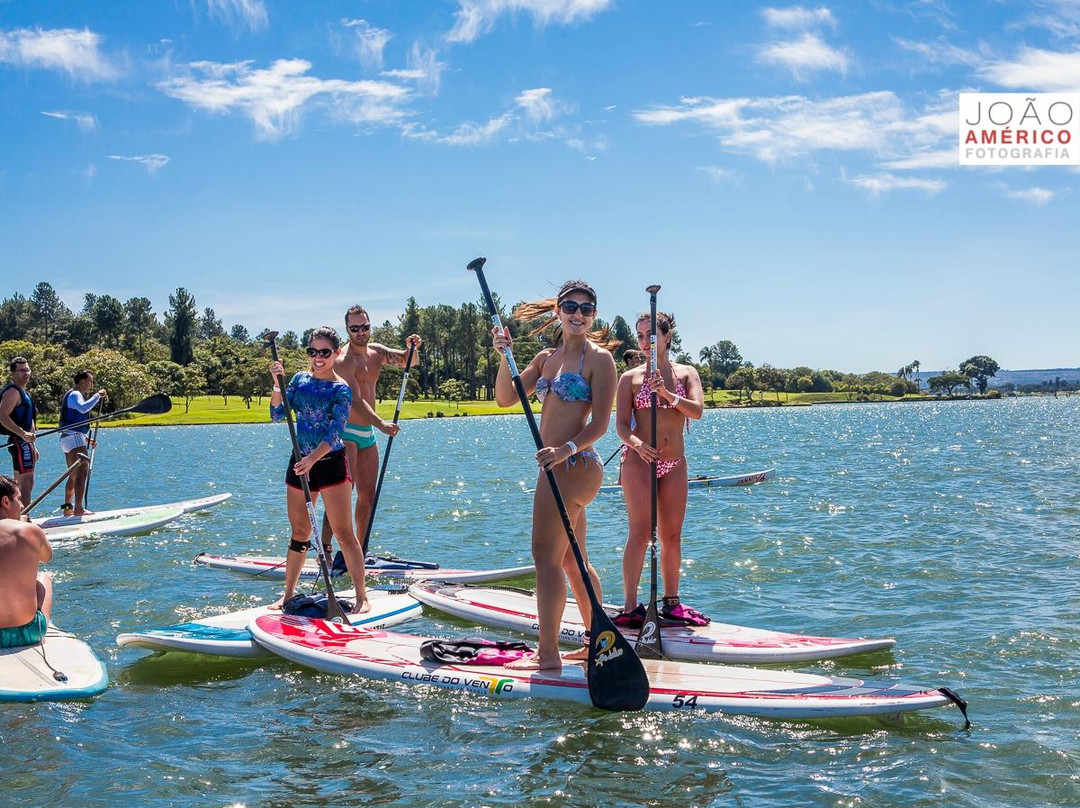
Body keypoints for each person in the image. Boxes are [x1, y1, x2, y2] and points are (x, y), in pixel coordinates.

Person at [492, 280, 617, 671]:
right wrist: (503, 356)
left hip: (573, 466)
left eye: (586, 307)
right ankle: (598, 642)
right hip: (556, 468)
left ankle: (547, 655)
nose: (578, 313)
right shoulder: (547, 358)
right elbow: (506, 398)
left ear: (594, 314)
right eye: (570, 306)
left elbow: (599, 424)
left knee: (544, 558)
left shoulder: (599, 360)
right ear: (558, 311)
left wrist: (566, 449)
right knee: (571, 561)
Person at [615, 310, 707, 627]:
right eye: (639, 336)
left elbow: (696, 412)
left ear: (667, 337)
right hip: (640, 462)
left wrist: (666, 394)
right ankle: (630, 607)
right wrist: (638, 445)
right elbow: (621, 428)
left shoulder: (686, 374)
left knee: (672, 535)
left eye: (650, 335)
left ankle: (672, 603)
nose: (643, 342)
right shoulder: (629, 379)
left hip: (675, 463)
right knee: (640, 534)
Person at [268, 326, 369, 614]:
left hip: (330, 465)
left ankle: (362, 596)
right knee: (299, 532)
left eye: (325, 352)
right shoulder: (299, 381)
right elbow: (277, 414)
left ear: (337, 353)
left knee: (343, 533)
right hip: (300, 465)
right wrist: (278, 384)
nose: (318, 357)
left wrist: (313, 459)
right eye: (313, 352)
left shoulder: (341, 390)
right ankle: (286, 595)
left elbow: (335, 435)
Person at [336, 304, 422, 548]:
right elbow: (355, 400)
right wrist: (382, 423)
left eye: (365, 326)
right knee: (342, 496)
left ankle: (359, 550)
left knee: (368, 496)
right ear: (347, 330)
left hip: (367, 434)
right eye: (355, 328)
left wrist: (411, 347)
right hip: (347, 433)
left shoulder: (376, 352)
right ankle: (330, 551)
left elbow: (409, 362)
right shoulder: (343, 360)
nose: (361, 331)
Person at [0, 474, 53, 649]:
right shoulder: (29, 530)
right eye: (18, 499)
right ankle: (43, 629)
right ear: (6, 502)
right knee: (43, 577)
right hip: (28, 634)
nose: (22, 505)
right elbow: (46, 557)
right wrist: (27, 526)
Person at [58, 370, 107, 515]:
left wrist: (87, 439)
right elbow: (83, 408)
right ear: (82, 382)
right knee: (82, 472)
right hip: (73, 438)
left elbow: (75, 424)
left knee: (73, 475)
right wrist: (98, 395)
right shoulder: (75, 394)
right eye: (90, 381)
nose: (92, 384)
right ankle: (78, 508)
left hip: (68, 439)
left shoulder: (73, 395)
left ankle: (67, 509)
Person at [0, 357, 37, 504]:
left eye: (27, 369)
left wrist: (33, 445)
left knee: (22, 483)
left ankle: (19, 515)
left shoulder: (26, 394)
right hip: (18, 440)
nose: (25, 373)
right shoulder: (13, 392)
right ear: (13, 374)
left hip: (25, 442)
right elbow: (2, 416)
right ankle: (26, 519)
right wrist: (22, 434)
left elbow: (30, 421)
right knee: (26, 482)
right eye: (21, 370)